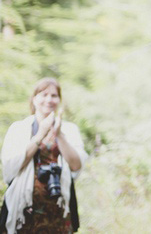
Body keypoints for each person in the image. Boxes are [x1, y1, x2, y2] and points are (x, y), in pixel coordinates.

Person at [2, 78, 88, 233]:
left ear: (59, 100)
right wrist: (40, 134)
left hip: (58, 210)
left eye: (54, 96)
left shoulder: (70, 130)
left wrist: (59, 134)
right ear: (34, 99)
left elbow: (76, 165)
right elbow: (10, 167)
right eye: (44, 94)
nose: (49, 99)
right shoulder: (18, 129)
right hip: (25, 210)